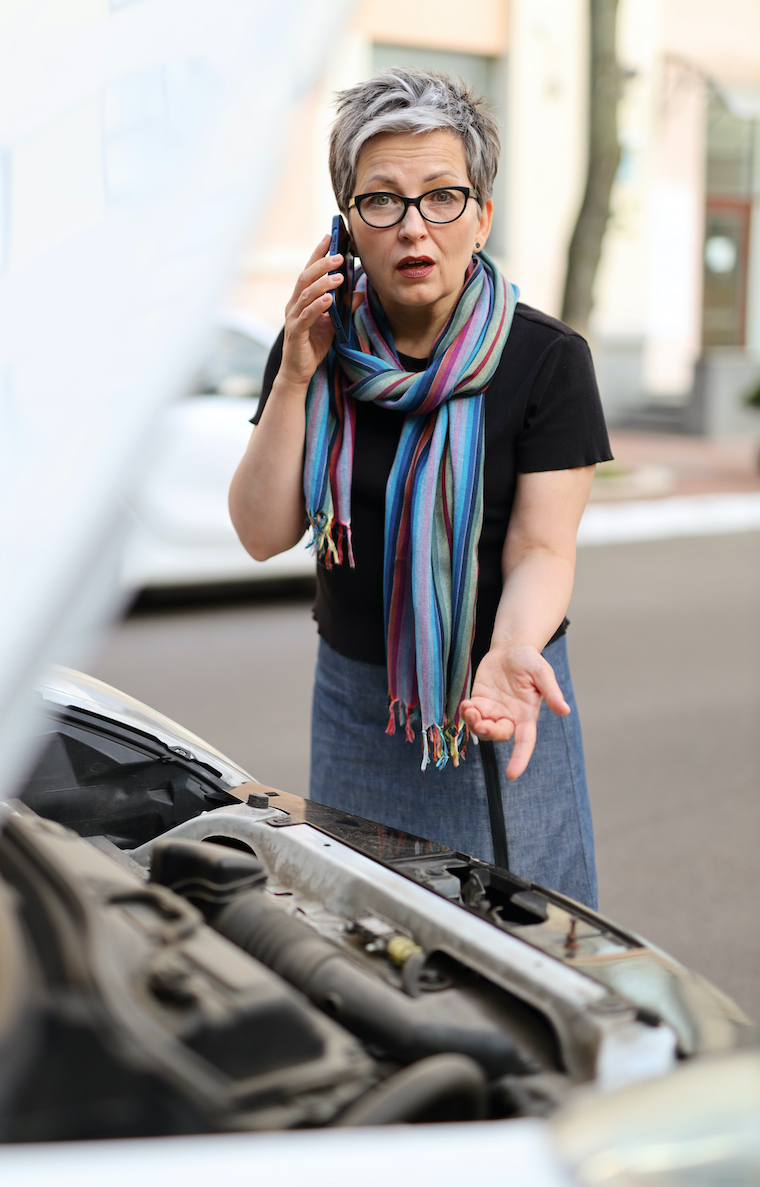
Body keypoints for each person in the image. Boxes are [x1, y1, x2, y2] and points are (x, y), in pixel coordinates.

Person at [229, 68, 612, 907]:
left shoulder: (546, 361)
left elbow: (543, 546)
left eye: (442, 197)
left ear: (481, 215)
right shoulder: (314, 345)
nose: (414, 227)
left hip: (488, 695)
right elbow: (261, 533)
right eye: (382, 201)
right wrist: (296, 373)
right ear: (346, 225)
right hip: (356, 703)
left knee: (518, 937)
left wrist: (512, 648)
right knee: (366, 934)